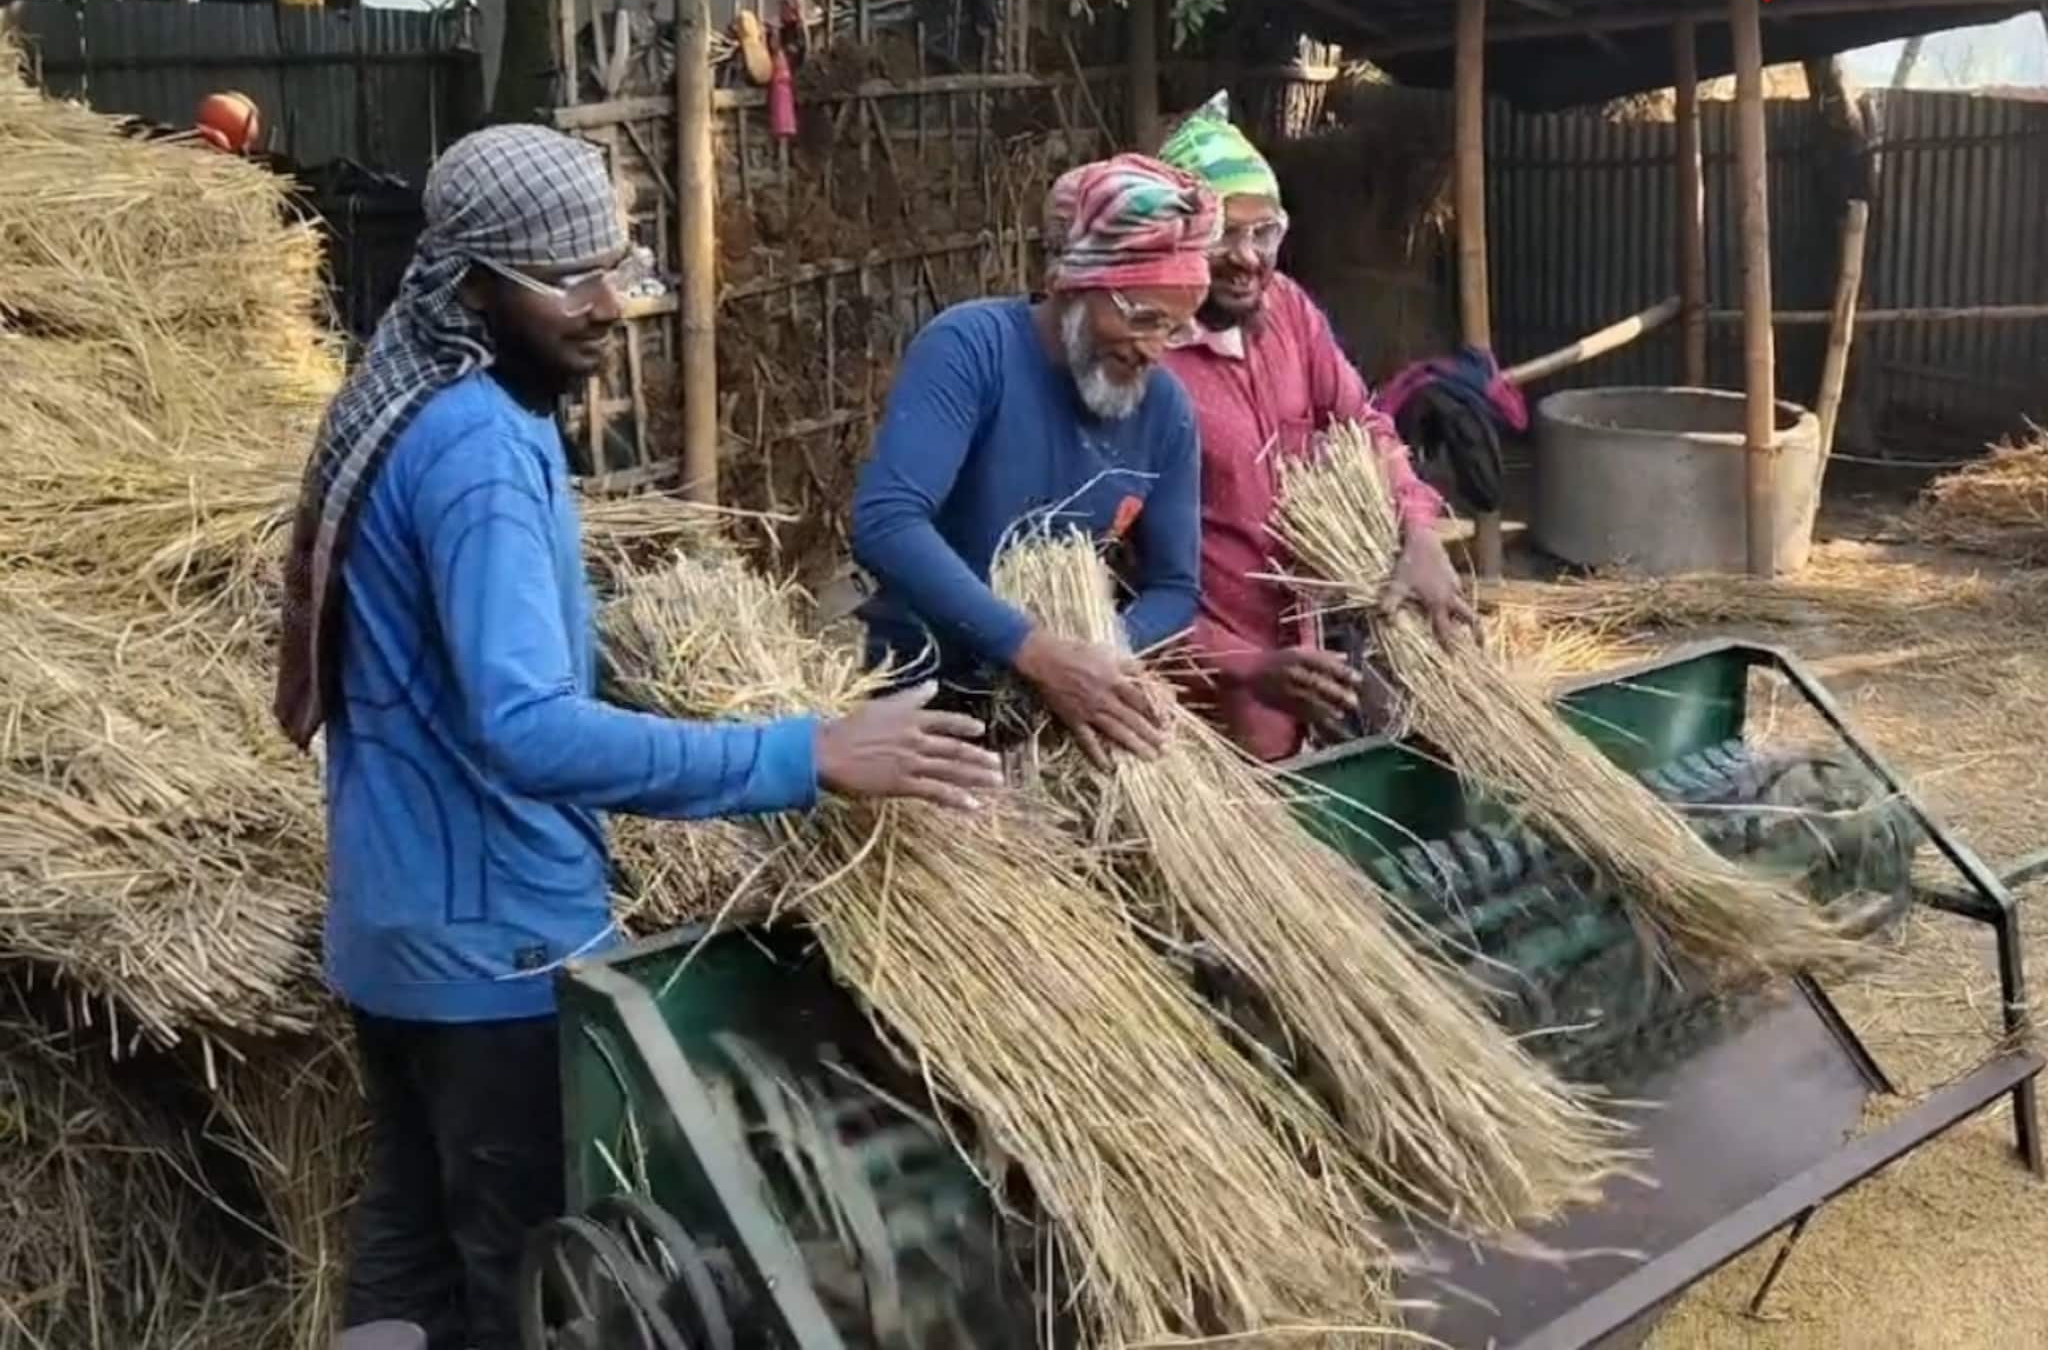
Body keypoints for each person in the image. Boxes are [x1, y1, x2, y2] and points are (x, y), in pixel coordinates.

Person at [274, 125, 1002, 1350]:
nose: (609, 305)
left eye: (615, 266)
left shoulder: (410, 398)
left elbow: (471, 654)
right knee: (526, 1289)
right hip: (498, 951)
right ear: (471, 284)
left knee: (410, 1272)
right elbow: (525, 729)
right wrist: (801, 752)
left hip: (396, 931)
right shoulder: (482, 455)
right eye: (568, 282)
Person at [850, 153, 1219, 767]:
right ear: (1073, 284)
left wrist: (1100, 658)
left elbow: (1175, 587)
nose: (1155, 349)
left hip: (1060, 724)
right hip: (923, 711)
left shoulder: (1166, 411)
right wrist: (1033, 651)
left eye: (1175, 329)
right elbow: (886, 522)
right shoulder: (972, 349)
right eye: (1143, 319)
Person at [1157, 92, 1478, 763]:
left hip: (1315, 645)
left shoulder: (1289, 313)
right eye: (1222, 235)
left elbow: (1361, 423)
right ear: (1180, 238)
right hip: (1205, 696)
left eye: (1264, 232)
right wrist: (1243, 662)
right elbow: (1124, 576)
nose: (1246, 257)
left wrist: (1419, 530)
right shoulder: (1144, 362)